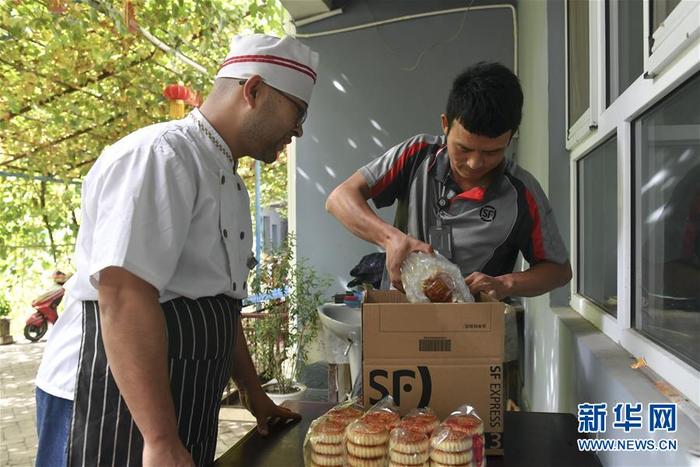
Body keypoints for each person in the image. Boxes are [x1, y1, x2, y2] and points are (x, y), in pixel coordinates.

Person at [34, 34, 319, 467]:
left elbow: (221, 303)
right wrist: (161, 438)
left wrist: (253, 394)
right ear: (254, 90)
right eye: (297, 112)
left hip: (178, 402)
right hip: (110, 403)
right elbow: (124, 295)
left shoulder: (230, 181)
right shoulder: (160, 155)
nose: (297, 130)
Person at [326, 62, 572, 300]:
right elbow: (340, 198)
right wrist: (389, 238)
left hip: (475, 328)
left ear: (510, 138)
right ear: (445, 124)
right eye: (463, 148)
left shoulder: (522, 192)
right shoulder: (416, 155)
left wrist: (504, 284)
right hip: (401, 319)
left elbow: (559, 270)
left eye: (492, 152)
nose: (475, 163)